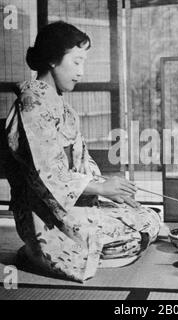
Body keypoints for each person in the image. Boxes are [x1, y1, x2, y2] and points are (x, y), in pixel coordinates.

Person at [5, 21, 161, 282]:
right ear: (53, 60)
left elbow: (81, 163)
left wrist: (110, 188)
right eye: (76, 62)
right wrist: (100, 189)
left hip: (65, 204)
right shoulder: (32, 103)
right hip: (42, 215)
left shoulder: (63, 108)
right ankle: (37, 251)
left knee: (144, 216)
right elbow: (45, 175)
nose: (81, 72)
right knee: (136, 230)